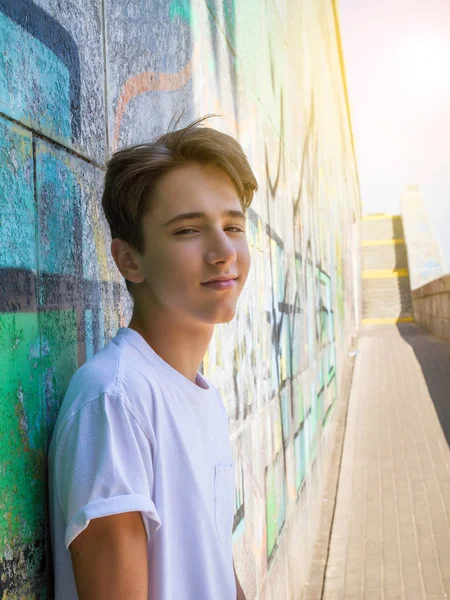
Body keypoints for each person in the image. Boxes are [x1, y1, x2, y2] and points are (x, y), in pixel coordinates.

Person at [48, 116, 258, 599]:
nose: (224, 251)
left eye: (233, 225)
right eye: (188, 230)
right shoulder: (116, 401)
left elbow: (214, 568)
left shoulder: (201, 394)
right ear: (129, 259)